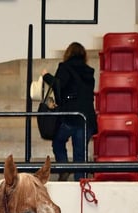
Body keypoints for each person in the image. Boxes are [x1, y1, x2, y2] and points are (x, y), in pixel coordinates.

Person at [42, 42, 98, 181]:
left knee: (58, 142)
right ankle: (80, 183)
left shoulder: (64, 67)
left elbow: (58, 86)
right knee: (80, 154)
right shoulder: (89, 72)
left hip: (70, 116)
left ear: (68, 53)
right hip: (86, 118)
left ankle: (64, 168)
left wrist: (46, 76)